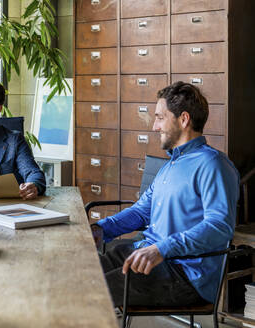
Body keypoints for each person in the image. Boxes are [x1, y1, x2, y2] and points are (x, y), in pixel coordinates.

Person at [92, 81, 239, 307]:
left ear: (184, 119)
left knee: (89, 294)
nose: (154, 126)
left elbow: (219, 227)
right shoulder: (170, 166)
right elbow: (142, 212)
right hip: (148, 253)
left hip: (184, 274)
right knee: (81, 272)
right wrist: (102, 229)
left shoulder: (213, 165)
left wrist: (163, 248)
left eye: (160, 117)